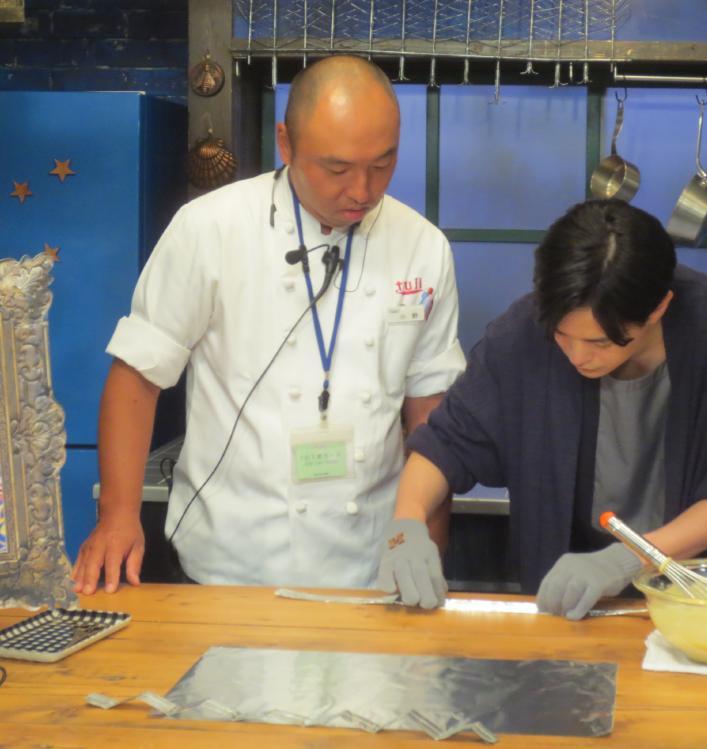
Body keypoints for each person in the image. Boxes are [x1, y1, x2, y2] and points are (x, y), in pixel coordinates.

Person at [72, 55, 465, 593]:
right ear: (286, 143)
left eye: (383, 163)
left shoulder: (423, 246)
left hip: (369, 563)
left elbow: (430, 410)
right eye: (337, 169)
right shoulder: (210, 228)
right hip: (227, 563)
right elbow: (138, 376)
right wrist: (119, 515)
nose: (362, 190)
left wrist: (428, 541)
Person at [375, 199, 707, 619]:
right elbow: (446, 443)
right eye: (562, 335)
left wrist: (629, 559)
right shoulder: (522, 333)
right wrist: (408, 521)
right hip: (573, 605)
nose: (577, 356)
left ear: (658, 308)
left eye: (601, 342)